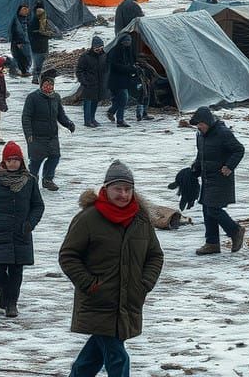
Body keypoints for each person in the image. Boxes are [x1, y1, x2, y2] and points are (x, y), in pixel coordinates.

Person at [59, 159, 163, 377]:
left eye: (127, 189)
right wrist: (90, 284)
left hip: (129, 299)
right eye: (118, 189)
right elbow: (68, 256)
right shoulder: (88, 218)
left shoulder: (140, 219)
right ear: (106, 189)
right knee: (117, 357)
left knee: (93, 356)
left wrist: (144, 284)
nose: (123, 194)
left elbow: (155, 255)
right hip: (99, 300)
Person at [0, 141, 45, 319]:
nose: (13, 163)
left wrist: (30, 223)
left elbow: (38, 206)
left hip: (21, 233)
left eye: (16, 159)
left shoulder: (30, 180)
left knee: (16, 270)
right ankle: (5, 292)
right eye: (9, 160)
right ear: (4, 161)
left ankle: (11, 304)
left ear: (21, 161)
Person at [189, 106, 246, 255]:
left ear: (207, 122)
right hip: (207, 177)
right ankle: (212, 243)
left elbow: (239, 150)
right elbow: (201, 154)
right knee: (206, 209)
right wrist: (195, 168)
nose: (198, 127)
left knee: (213, 208)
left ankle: (235, 230)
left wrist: (229, 166)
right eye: (197, 125)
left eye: (200, 124)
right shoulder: (200, 135)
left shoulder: (223, 133)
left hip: (221, 177)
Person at [21, 70, 75, 191]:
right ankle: (32, 181)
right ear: (41, 85)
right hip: (36, 136)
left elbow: (60, 115)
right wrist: (28, 134)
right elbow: (26, 117)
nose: (48, 87)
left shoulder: (56, 97)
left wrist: (68, 124)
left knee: (55, 157)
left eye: (51, 85)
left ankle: (48, 179)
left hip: (52, 136)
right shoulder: (33, 97)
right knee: (36, 160)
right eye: (46, 85)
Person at [107, 34, 137, 128]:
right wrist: (128, 68)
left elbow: (132, 62)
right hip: (116, 80)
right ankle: (120, 120)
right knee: (124, 98)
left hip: (125, 79)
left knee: (120, 99)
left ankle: (111, 111)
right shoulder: (115, 51)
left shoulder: (129, 51)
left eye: (129, 41)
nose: (128, 43)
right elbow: (114, 65)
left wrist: (133, 68)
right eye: (126, 41)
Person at [77, 36, 107, 129]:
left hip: (99, 83)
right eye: (97, 48)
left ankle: (92, 118)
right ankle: (87, 121)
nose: (99, 50)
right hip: (89, 83)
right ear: (93, 47)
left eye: (101, 48)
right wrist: (84, 81)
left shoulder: (103, 55)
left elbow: (105, 68)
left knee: (95, 101)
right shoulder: (85, 57)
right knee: (88, 103)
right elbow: (79, 70)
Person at [28, 1, 51, 83]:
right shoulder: (34, 22)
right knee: (37, 64)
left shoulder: (44, 21)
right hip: (37, 47)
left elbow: (48, 31)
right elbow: (32, 34)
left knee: (42, 64)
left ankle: (41, 78)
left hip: (43, 45)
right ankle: (35, 78)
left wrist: (48, 34)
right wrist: (43, 34)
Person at [9, 4, 33, 78]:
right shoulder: (16, 19)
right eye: (24, 9)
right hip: (19, 42)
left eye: (26, 9)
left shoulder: (26, 19)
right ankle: (22, 71)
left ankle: (25, 71)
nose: (25, 11)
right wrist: (18, 42)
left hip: (26, 42)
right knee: (20, 57)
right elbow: (15, 31)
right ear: (19, 10)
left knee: (27, 57)